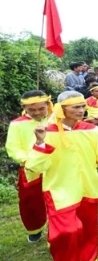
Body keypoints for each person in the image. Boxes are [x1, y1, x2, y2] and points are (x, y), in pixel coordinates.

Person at [25, 91, 98, 261]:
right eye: (76, 107)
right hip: (59, 190)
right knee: (65, 231)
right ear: (61, 109)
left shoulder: (91, 130)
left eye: (82, 106)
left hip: (88, 186)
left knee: (88, 227)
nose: (81, 110)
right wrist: (40, 142)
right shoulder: (46, 131)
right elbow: (34, 166)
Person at [5, 90, 51, 243]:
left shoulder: (55, 119)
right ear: (24, 107)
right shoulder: (17, 124)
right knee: (31, 202)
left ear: (47, 104)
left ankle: (61, 227)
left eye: (41, 108)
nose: (37, 113)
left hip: (55, 166)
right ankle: (35, 228)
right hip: (31, 168)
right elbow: (13, 147)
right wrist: (26, 160)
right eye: (32, 110)